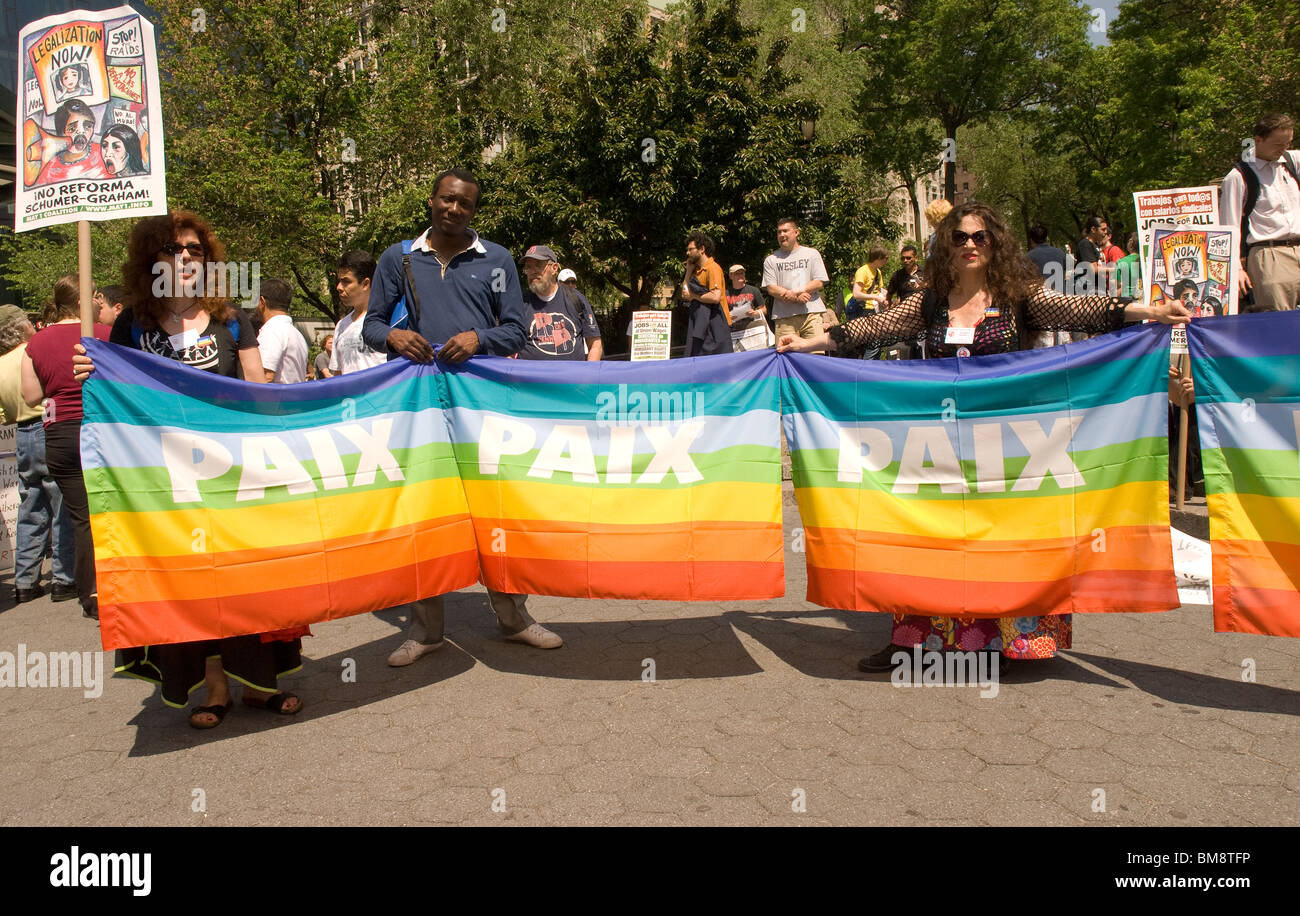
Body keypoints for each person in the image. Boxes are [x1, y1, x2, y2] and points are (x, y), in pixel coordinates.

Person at [778, 201, 1190, 672]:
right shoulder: (929, 301)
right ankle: (914, 641)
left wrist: (1152, 311)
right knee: (927, 536)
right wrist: (808, 342)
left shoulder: (1019, 297)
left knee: (1004, 537)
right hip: (937, 443)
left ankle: (1007, 642)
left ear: (996, 244)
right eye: (960, 238)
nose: (970, 245)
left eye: (980, 237)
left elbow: (1084, 310)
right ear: (945, 247)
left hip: (1006, 444)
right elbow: (873, 326)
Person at [72, 210, 304, 728]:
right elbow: (117, 393)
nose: (184, 258)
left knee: (245, 579)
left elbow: (256, 391)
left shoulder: (232, 318)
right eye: (172, 250)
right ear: (150, 260)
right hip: (165, 482)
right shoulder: (133, 323)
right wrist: (90, 369)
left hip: (232, 475)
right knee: (193, 584)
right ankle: (214, 685)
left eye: (194, 250)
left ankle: (259, 683)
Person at [360, 168, 560, 663]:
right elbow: (371, 324)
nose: (454, 209)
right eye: (447, 200)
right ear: (432, 200)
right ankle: (425, 631)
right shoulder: (399, 256)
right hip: (418, 406)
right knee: (425, 515)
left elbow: (516, 330)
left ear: (474, 210)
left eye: (464, 204)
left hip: (480, 407)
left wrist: (478, 339)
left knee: (493, 510)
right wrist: (392, 337)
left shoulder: (496, 259)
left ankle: (514, 618)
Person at [21, 277, 112, 620]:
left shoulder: (37, 343)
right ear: (85, 300)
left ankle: (90, 592)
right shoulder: (102, 336)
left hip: (59, 435)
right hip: (101, 429)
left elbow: (31, 396)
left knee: (81, 518)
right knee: (109, 511)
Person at [0, 305, 75, 605]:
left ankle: (25, 581)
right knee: (62, 505)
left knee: (30, 504)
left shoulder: (1, 364)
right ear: (20, 328)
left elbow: (6, 414)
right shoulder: (32, 352)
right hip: (47, 426)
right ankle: (63, 577)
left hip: (22, 434)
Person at [1221, 113, 1300, 311]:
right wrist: (1236, 268)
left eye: (1288, 143)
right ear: (1258, 140)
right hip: (1270, 255)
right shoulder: (1238, 176)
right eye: (1277, 144)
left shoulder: (1292, 162)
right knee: (1279, 320)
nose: (1283, 149)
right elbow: (1228, 227)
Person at [520, 245, 602, 361]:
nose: (532, 271)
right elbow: (508, 349)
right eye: (528, 267)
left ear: (554, 268)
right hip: (532, 379)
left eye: (538, 265)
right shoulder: (520, 303)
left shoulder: (576, 299)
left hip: (572, 378)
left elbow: (595, 345)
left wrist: (589, 375)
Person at [762, 217, 829, 352]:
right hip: (784, 318)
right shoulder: (771, 260)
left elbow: (819, 281)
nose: (782, 235)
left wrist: (798, 290)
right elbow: (771, 288)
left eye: (785, 231)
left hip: (811, 315)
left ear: (796, 232)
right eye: (779, 232)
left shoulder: (812, 254)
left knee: (816, 357)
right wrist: (793, 296)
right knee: (786, 358)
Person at [330, 250, 387, 375]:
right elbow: (338, 376)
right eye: (339, 281)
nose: (339, 287)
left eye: (346, 281)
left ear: (366, 283)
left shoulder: (387, 320)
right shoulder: (341, 326)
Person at [35, 100, 110, 184]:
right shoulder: (50, 169)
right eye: (72, 129)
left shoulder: (104, 152)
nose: (81, 132)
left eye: (88, 126)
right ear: (61, 133)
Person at [682, 231, 730, 357]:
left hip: (716, 326)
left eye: (690, 249)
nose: (687, 253)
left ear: (702, 249)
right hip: (700, 325)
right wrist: (688, 272)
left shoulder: (713, 268)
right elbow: (684, 293)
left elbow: (715, 297)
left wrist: (694, 296)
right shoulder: (695, 270)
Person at [256, 278, 308, 383]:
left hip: (275, 399)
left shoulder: (271, 331)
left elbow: (266, 376)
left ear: (262, 301)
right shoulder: (297, 334)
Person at [726, 264, 770, 350]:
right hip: (734, 333)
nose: (740, 275)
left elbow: (764, 310)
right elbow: (722, 314)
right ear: (731, 276)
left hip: (753, 331)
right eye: (737, 274)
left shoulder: (753, 290)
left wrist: (755, 313)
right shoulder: (725, 293)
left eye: (742, 273)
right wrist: (728, 316)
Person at [1025, 224, 1066, 293]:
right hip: (1062, 297)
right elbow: (1068, 273)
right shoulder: (1060, 252)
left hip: (1042, 298)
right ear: (1046, 238)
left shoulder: (1029, 256)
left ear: (1031, 240)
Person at [1074, 216, 1111, 293]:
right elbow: (1093, 269)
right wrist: (1114, 269)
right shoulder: (1085, 244)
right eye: (1103, 229)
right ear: (1093, 229)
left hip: (1098, 288)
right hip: (1088, 289)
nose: (1105, 232)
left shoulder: (1095, 245)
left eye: (1106, 230)